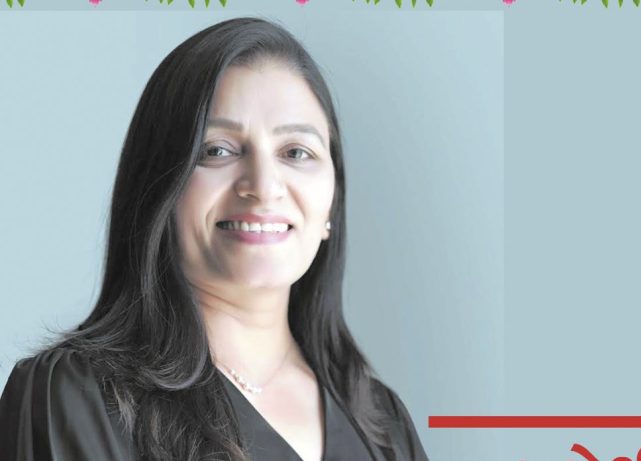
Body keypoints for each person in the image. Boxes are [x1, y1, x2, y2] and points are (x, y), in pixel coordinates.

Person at [0, 16, 428, 461]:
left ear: (330, 208)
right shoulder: (78, 398)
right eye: (218, 150)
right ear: (160, 188)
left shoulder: (383, 424)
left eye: (296, 152)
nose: (263, 186)